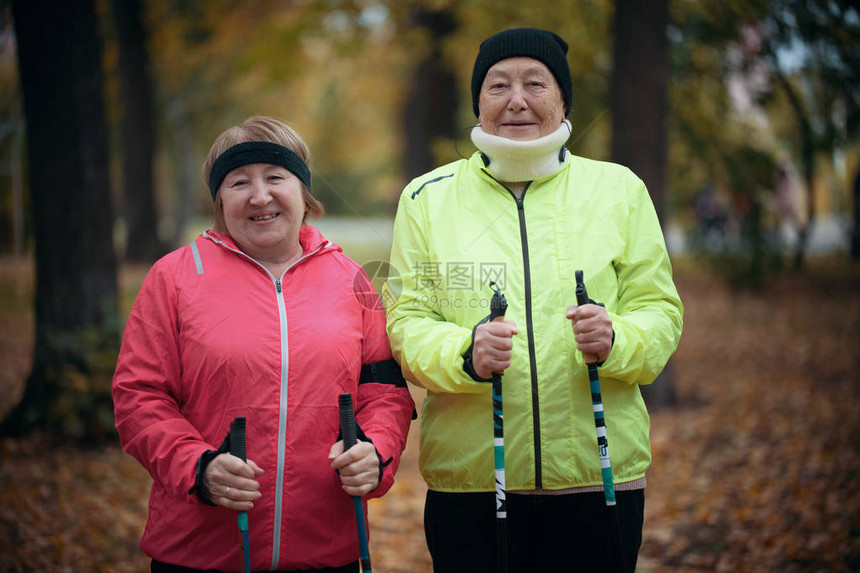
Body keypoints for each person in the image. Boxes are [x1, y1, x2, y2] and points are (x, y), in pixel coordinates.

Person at [385, 28, 683, 573]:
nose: (516, 99)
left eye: (535, 83)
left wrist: (616, 338)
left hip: (599, 478)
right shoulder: (426, 199)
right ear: (478, 101)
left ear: (563, 98)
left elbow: (660, 313)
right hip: (472, 486)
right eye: (498, 85)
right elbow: (407, 321)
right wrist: (464, 354)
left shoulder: (619, 190)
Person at [113, 116, 415, 573]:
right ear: (218, 200)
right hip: (200, 550)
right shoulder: (173, 278)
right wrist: (198, 468)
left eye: (276, 177)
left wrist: (375, 452)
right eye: (239, 182)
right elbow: (138, 397)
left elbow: (385, 391)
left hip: (327, 549)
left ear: (303, 191)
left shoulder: (351, 279)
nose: (260, 196)